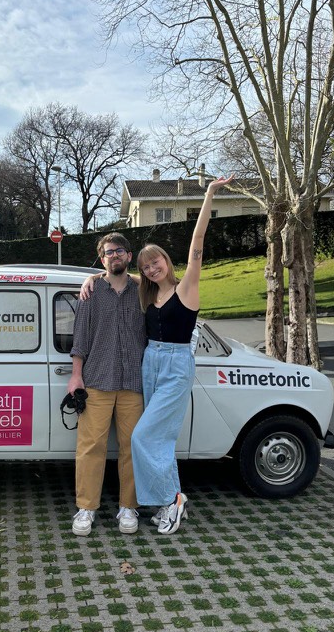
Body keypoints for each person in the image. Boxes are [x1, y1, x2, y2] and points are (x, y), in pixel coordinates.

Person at [79, 175, 234, 535]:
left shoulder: (187, 287)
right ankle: (167, 502)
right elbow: (110, 278)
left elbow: (197, 244)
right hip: (149, 363)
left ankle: (171, 499)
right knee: (159, 438)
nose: (152, 268)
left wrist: (209, 194)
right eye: (146, 266)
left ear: (166, 261)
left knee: (143, 437)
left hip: (176, 364)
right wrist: (88, 279)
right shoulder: (144, 292)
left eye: (156, 262)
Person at [68, 233, 147, 537]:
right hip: (97, 380)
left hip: (133, 382)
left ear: (129, 255)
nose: (114, 256)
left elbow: (174, 286)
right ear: (101, 259)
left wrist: (140, 279)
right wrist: (76, 375)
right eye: (108, 253)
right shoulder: (90, 293)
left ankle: (128, 506)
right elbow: (81, 339)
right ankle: (87, 507)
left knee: (132, 448)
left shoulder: (143, 292)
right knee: (91, 447)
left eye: (120, 251)